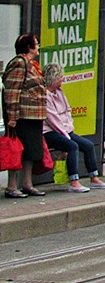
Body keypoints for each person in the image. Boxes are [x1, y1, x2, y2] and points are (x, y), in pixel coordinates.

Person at [41, 63, 105, 192]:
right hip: (50, 132)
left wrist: (69, 128)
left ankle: (94, 179)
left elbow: (67, 110)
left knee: (88, 145)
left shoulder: (60, 92)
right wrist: (66, 135)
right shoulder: (45, 95)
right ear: (53, 77)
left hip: (65, 130)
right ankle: (74, 182)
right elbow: (52, 119)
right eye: (60, 76)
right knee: (72, 146)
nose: (63, 79)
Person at [2, 33, 48, 198]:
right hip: (22, 116)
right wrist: (12, 116)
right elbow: (12, 91)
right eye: (36, 44)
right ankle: (12, 186)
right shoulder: (19, 64)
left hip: (34, 116)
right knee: (17, 150)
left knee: (30, 151)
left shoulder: (32, 65)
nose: (38, 47)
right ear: (29, 47)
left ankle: (27, 184)